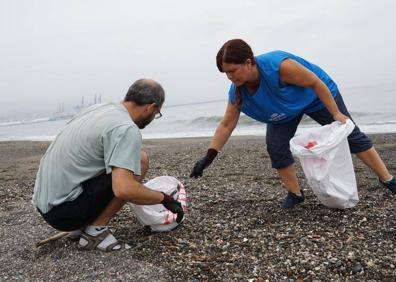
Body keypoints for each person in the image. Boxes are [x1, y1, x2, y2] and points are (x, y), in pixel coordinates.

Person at [190, 39, 396, 209]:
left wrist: (335, 113)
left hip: (316, 96)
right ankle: (295, 194)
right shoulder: (237, 91)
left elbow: (316, 83)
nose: (229, 77)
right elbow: (226, 125)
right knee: (275, 147)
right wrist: (208, 157)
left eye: (232, 70)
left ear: (248, 62)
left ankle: (387, 178)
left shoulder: (279, 67)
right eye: (225, 73)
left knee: (352, 135)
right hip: (283, 111)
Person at [33, 79, 184, 251]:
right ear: (150, 107)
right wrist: (165, 198)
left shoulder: (99, 109)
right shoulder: (126, 128)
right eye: (157, 114)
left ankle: (81, 226)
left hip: (46, 204)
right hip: (64, 214)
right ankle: (95, 234)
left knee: (117, 162)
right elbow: (124, 189)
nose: (153, 118)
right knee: (140, 160)